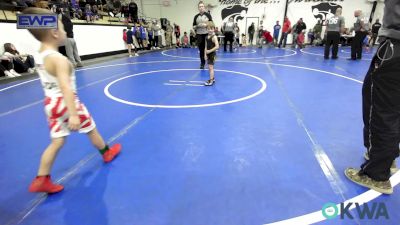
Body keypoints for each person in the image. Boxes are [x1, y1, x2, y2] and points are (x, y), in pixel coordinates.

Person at [22, 7, 121, 194]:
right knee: (91, 129)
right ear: (54, 32)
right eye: (63, 28)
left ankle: (42, 178)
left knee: (57, 141)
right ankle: (106, 152)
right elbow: (66, 88)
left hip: (50, 104)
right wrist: (74, 114)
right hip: (67, 103)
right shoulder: (60, 60)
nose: (66, 31)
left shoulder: (40, 55)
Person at [345, 0, 400, 195]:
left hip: (396, 45)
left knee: (379, 107)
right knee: (393, 108)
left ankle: (376, 174)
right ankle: (386, 156)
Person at [193, 1, 212, 69]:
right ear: (198, 8)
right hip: (199, 35)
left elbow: (212, 24)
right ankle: (202, 63)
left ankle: (210, 63)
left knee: (208, 49)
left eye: (202, 6)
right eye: (200, 6)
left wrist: (206, 24)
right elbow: (193, 26)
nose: (201, 8)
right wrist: (198, 25)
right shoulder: (196, 16)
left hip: (207, 34)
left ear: (204, 7)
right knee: (201, 49)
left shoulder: (208, 15)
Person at [204, 21, 219, 86]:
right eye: (208, 29)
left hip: (212, 54)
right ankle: (212, 78)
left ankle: (211, 80)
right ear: (206, 29)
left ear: (214, 29)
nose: (210, 30)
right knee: (210, 67)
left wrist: (209, 51)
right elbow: (206, 46)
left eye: (211, 29)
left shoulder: (214, 37)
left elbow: (217, 46)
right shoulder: (206, 37)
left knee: (210, 67)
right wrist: (205, 54)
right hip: (208, 54)